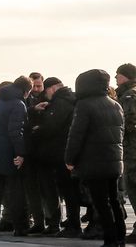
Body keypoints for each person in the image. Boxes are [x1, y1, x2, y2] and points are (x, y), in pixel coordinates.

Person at [65, 69, 125, 247]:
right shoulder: (115, 104)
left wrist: (69, 159)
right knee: (114, 201)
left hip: (94, 161)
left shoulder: (84, 105)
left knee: (101, 203)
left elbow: (75, 135)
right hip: (114, 161)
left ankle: (110, 240)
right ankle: (120, 237)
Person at [35, 77, 81, 237]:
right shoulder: (71, 99)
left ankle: (72, 225)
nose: (46, 95)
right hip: (64, 152)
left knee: (67, 191)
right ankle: (72, 223)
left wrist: (37, 129)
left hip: (58, 154)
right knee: (69, 191)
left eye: (46, 91)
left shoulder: (61, 102)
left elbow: (51, 126)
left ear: (52, 88)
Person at [0, 76, 30, 237]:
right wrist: (21, 153)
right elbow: (15, 131)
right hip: (9, 154)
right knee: (15, 192)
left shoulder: (1, 101)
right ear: (25, 91)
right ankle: (19, 227)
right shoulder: (18, 104)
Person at [22, 71, 48, 234]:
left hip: (44, 150)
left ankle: (50, 220)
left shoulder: (49, 99)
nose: (37, 89)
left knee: (47, 189)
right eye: (34, 86)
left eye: (39, 86)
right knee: (32, 189)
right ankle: (38, 221)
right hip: (31, 150)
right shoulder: (25, 101)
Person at [115, 63, 136, 242]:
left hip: (132, 150)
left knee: (133, 187)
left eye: (118, 75)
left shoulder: (129, 95)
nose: (116, 79)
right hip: (131, 149)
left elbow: (127, 123)